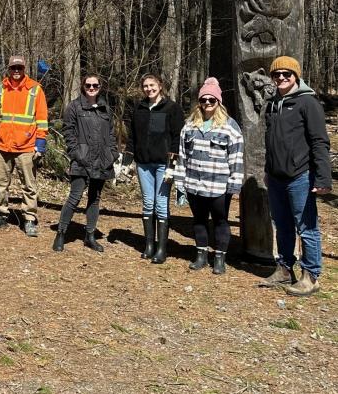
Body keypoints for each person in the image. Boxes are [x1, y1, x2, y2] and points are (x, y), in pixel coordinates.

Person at [259, 56, 333, 296]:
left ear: (296, 76)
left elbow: (320, 142)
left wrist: (323, 178)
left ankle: (311, 275)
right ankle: (284, 269)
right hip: (276, 176)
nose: (281, 78)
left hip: (300, 175)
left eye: (286, 74)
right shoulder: (272, 104)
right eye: (276, 74)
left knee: (307, 226)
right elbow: (271, 143)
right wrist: (268, 171)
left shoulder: (308, 103)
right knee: (282, 225)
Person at [173, 77, 244, 275]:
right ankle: (201, 254)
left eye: (211, 100)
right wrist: (180, 181)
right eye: (203, 100)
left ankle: (220, 257)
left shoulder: (230, 127)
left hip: (219, 185)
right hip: (194, 182)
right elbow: (182, 156)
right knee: (199, 220)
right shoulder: (189, 126)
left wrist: (234, 184)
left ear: (218, 102)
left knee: (220, 220)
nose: (207, 104)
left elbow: (236, 157)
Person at [53, 74, 118, 253]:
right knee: (74, 197)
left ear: (100, 86)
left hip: (102, 160)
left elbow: (112, 133)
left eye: (95, 85)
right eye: (88, 85)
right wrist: (76, 152)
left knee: (94, 199)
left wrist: (112, 153)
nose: (91, 88)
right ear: (83, 86)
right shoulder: (74, 106)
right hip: (81, 160)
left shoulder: (106, 108)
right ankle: (61, 233)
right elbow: (68, 131)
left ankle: (90, 236)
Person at [0, 55, 48, 237]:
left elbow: (42, 119)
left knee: (29, 185)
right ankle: (1, 214)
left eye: (19, 68)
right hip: (2, 146)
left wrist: (40, 144)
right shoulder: (0, 90)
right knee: (0, 184)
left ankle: (29, 219)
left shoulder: (35, 90)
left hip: (26, 147)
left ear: (24, 68)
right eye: (13, 68)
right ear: (9, 69)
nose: (16, 71)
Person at [127, 73, 184, 264]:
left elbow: (177, 138)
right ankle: (149, 245)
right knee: (147, 203)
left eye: (152, 85)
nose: (149, 89)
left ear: (160, 86)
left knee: (161, 204)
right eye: (145, 86)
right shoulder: (139, 108)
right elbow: (132, 136)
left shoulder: (172, 108)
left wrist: (172, 165)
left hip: (163, 164)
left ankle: (162, 249)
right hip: (143, 164)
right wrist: (128, 159)